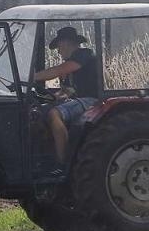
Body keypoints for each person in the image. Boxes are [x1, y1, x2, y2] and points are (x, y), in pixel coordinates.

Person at [29, 26, 103, 177]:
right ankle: (42, 159)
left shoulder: (84, 54)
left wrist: (30, 77)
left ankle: (63, 164)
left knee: (54, 114)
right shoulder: (74, 63)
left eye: (58, 47)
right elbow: (68, 91)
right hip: (79, 99)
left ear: (66, 43)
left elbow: (59, 70)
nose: (58, 51)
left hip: (92, 101)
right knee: (38, 112)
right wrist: (56, 96)